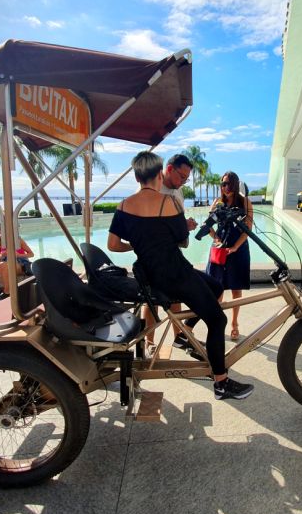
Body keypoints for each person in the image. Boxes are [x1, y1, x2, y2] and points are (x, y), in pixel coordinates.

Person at [108, 151, 253, 401]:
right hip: (176, 274)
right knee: (217, 320)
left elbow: (113, 245)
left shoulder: (123, 206)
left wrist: (137, 245)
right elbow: (182, 239)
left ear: (137, 176)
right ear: (159, 173)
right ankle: (221, 382)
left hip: (150, 275)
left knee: (216, 288)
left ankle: (184, 334)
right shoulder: (169, 203)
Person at [143, 153, 198, 346]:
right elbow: (148, 225)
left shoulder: (177, 190)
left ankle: (179, 337)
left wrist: (185, 225)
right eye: (181, 176)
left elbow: (175, 220)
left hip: (173, 252)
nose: (183, 182)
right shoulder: (153, 189)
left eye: (186, 178)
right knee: (152, 301)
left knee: (176, 296)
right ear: (169, 169)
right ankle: (149, 342)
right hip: (153, 256)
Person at [206, 170, 253, 341]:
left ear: (235, 184)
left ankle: (234, 323)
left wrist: (235, 247)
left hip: (238, 247)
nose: (226, 187)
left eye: (229, 184)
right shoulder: (218, 202)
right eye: (223, 184)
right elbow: (208, 225)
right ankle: (218, 324)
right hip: (220, 248)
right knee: (216, 287)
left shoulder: (245, 202)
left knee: (236, 288)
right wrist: (216, 238)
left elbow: (248, 229)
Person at [0, 223, 34, 302]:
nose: (1, 236)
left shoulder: (18, 240)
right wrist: (1, 256)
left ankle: (7, 292)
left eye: (2, 233)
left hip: (19, 265)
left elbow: (31, 254)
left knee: (2, 264)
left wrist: (18, 255)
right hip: (4, 266)